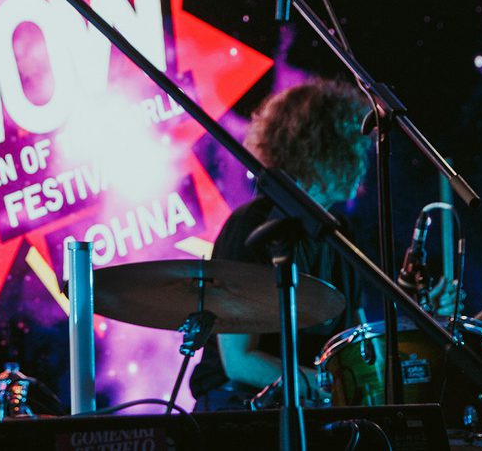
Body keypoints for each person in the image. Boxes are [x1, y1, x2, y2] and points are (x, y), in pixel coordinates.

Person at [188, 79, 459, 410]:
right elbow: (239, 361)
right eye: (354, 147)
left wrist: (420, 317)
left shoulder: (340, 233)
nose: (364, 159)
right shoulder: (252, 226)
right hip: (241, 410)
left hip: (309, 407)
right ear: (320, 149)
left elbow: (356, 346)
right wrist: (330, 386)